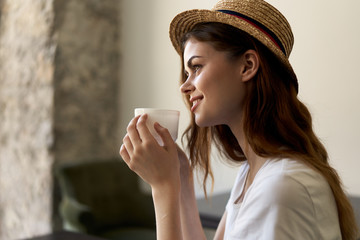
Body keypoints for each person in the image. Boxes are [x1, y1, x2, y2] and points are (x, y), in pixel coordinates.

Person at [120, 0, 359, 239]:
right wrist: (181, 180)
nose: (184, 86)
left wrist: (163, 188)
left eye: (197, 67)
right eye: (186, 73)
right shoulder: (253, 171)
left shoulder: (281, 187)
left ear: (247, 66)